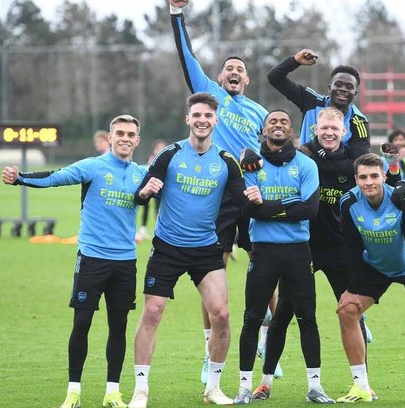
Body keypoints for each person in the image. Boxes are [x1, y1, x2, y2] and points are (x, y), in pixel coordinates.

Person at [2, 115, 146, 408]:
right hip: (92, 259)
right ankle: (74, 391)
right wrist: (19, 178)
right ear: (110, 137)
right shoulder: (93, 166)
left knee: (118, 327)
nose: (125, 138)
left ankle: (112, 392)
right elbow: (56, 176)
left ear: (137, 140)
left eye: (131, 134)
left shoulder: (141, 174)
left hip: (125, 263)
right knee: (81, 323)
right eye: (119, 133)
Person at [168, 0, 279, 381]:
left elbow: (274, 154)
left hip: (251, 196)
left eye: (240, 70)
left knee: (266, 267)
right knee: (211, 269)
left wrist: (258, 162)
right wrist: (177, 15)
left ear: (247, 80)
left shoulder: (260, 113)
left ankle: (268, 341)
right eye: (229, 68)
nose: (234, 72)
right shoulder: (210, 95)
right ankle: (207, 349)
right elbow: (187, 56)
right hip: (217, 200)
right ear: (219, 76)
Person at [128, 93, 254, 407]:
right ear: (188, 119)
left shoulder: (226, 162)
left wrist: (255, 193)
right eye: (196, 115)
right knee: (152, 313)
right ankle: (140, 390)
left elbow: (242, 204)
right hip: (168, 248)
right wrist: (145, 191)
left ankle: (213, 387)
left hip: (205, 250)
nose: (202, 120)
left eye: (208, 116)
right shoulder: (169, 155)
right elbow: (141, 196)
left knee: (222, 315)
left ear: (215, 120)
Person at [250, 107, 373, 401]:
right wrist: (250, 153)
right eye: (324, 127)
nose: (329, 132)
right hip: (303, 250)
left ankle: (363, 383)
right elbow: (271, 150)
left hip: (341, 250)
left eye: (335, 127)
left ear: (343, 131)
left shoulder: (352, 164)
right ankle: (265, 382)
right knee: (283, 316)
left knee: (352, 314)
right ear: (315, 129)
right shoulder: (303, 157)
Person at [233, 110, 335, 404]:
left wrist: (267, 206)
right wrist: (285, 205)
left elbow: (310, 210)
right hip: (263, 251)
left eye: (284, 122)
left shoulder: (306, 164)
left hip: (298, 252)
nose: (278, 125)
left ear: (292, 132)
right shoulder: (251, 164)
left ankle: (315, 387)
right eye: (272, 122)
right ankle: (244, 387)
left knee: (308, 319)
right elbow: (247, 208)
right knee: (252, 318)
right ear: (264, 131)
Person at [334, 153, 405, 405]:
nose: (368, 182)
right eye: (362, 177)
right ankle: (361, 387)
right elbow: (352, 247)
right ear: (356, 179)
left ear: (383, 176)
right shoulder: (347, 202)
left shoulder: (401, 198)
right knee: (347, 311)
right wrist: (351, 289)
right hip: (375, 266)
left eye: (373, 176)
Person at [267, 48, 370, 161]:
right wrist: (295, 60)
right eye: (338, 84)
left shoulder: (359, 122)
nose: (343, 89)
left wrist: (314, 158)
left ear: (355, 94)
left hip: (336, 177)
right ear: (330, 87)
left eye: (349, 87)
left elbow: (359, 164)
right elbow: (274, 78)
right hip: (302, 174)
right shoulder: (311, 101)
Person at [136, 139, 167, 242]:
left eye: (162, 147)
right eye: (158, 147)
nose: (159, 149)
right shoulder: (152, 159)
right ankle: (143, 229)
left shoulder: (167, 159)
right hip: (149, 187)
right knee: (145, 207)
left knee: (158, 209)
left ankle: (158, 228)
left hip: (160, 188)